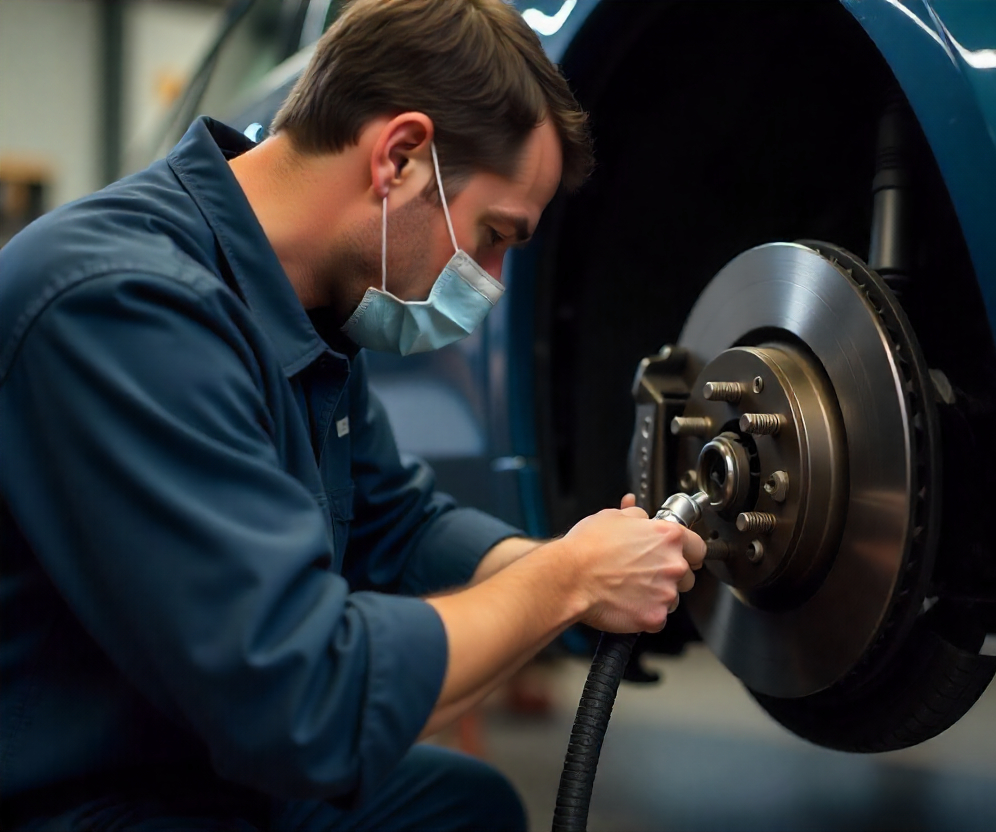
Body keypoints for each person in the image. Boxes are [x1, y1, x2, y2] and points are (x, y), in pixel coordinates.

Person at [0, 1, 706, 829]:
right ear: (400, 158)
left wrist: (569, 560)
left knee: (461, 804)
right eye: (492, 236)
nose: (493, 280)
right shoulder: (120, 309)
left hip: (197, 759)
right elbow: (300, 704)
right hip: (83, 798)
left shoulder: (301, 305)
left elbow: (394, 526)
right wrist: (567, 581)